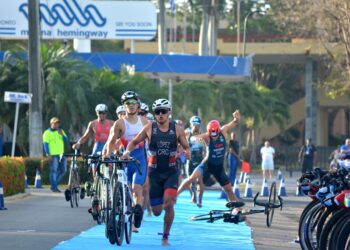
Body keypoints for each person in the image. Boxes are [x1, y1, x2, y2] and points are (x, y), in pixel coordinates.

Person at [121, 98, 190, 246]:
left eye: (163, 112)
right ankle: (159, 210)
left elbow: (186, 145)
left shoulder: (177, 129)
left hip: (171, 172)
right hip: (154, 174)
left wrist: (187, 151)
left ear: (169, 112)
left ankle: (165, 237)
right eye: (157, 112)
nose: (160, 115)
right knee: (157, 211)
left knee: (170, 203)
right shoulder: (149, 128)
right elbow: (133, 141)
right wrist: (127, 152)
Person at [104, 91, 149, 231]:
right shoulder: (119, 123)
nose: (131, 106)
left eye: (133, 103)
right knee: (124, 189)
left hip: (140, 160)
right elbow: (111, 142)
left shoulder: (145, 122)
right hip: (124, 160)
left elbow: (152, 141)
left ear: (138, 105)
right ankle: (122, 211)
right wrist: (107, 155)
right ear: (124, 106)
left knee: (137, 190)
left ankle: (136, 218)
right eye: (127, 103)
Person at [177, 110, 241, 205]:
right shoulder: (207, 135)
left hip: (218, 167)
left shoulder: (223, 131)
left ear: (218, 130)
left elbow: (235, 122)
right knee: (191, 178)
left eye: (215, 134)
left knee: (228, 189)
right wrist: (198, 140)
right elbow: (193, 138)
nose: (214, 136)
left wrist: (236, 117)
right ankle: (175, 195)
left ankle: (236, 208)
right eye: (212, 134)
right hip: (207, 164)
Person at [42, 117, 68, 192]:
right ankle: (54, 187)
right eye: (55, 123)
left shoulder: (61, 131)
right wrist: (48, 154)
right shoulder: (47, 133)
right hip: (53, 155)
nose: (57, 125)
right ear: (51, 124)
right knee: (54, 171)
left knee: (64, 170)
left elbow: (66, 140)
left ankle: (54, 185)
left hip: (61, 154)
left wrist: (62, 134)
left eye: (58, 123)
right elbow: (45, 144)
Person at [186, 115, 206, 207]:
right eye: (194, 123)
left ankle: (200, 199)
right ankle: (194, 195)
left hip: (199, 160)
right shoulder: (187, 134)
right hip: (190, 160)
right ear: (191, 124)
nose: (196, 126)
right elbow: (183, 145)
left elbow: (205, 148)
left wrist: (205, 156)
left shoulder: (202, 135)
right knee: (190, 180)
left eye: (197, 124)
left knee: (199, 180)